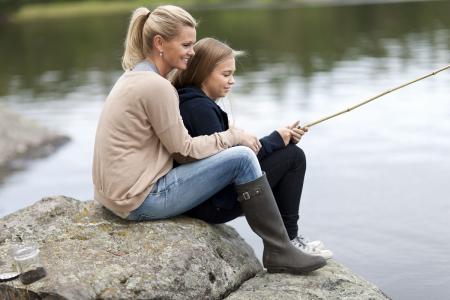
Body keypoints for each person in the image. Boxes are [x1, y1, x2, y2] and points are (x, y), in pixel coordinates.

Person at [92, 5, 326, 274]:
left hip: (114, 198)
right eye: (186, 44)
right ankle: (280, 250)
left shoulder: (132, 77)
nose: (193, 51)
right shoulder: (156, 86)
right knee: (242, 157)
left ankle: (284, 245)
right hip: (141, 200)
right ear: (159, 43)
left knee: (242, 153)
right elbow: (185, 152)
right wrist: (232, 136)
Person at [172, 38, 332, 259]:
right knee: (293, 158)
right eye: (226, 74)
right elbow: (229, 163)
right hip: (212, 203)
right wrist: (276, 140)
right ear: (202, 72)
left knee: (286, 153)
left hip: (203, 197)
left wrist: (279, 140)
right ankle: (289, 242)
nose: (232, 81)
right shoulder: (199, 108)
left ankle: (286, 239)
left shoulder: (192, 101)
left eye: (232, 74)